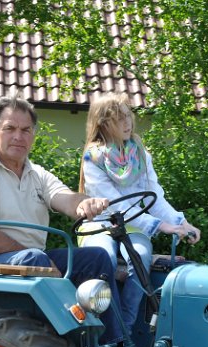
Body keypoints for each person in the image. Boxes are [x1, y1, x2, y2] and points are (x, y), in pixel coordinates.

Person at [0, 95, 124, 345]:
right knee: (35, 259)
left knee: (96, 258)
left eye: (26, 130)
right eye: (10, 129)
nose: (18, 136)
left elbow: (64, 198)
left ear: (33, 135)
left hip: (26, 260)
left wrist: (83, 204)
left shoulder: (36, 173)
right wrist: (43, 262)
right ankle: (64, 343)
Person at [78, 93, 201, 332]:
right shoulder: (93, 158)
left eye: (128, 116)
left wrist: (181, 223)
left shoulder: (141, 155)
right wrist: (159, 226)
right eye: (119, 118)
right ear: (103, 123)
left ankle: (124, 329)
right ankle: (102, 327)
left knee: (140, 257)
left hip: (133, 226)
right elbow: (116, 205)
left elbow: (155, 198)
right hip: (99, 224)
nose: (128, 123)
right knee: (104, 258)